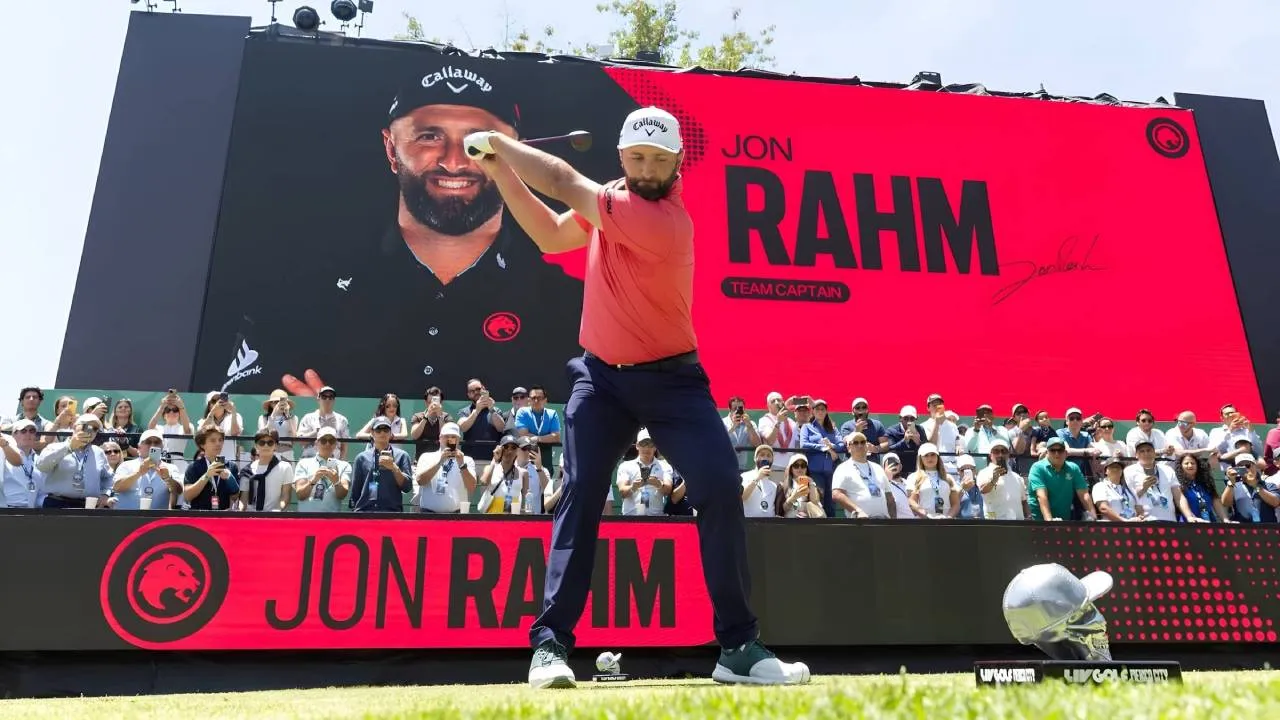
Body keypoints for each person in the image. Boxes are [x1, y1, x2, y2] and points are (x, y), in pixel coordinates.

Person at [468, 106, 810, 689]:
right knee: (580, 491)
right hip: (599, 378)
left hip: (674, 380)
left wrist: (501, 143)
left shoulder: (663, 220)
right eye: (637, 158)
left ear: (679, 163)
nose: (648, 168)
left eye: (659, 159)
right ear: (622, 158)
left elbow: (558, 180)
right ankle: (550, 647)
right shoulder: (612, 203)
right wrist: (499, 166)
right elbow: (552, 235)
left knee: (720, 486)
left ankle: (738, 648)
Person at [212, 61, 584, 401]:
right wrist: (291, 419)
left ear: (516, 153)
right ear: (391, 148)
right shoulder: (302, 286)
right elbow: (235, 405)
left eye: (479, 142)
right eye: (429, 137)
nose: (454, 161)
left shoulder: (569, 304)